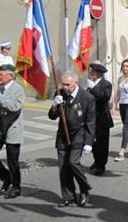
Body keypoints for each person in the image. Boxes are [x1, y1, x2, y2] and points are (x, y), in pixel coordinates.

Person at [49, 71, 96, 207]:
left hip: (78, 135)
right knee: (63, 168)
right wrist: (54, 105)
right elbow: (52, 116)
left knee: (73, 163)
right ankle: (68, 196)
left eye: (68, 85)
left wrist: (89, 142)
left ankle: (84, 189)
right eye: (63, 84)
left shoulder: (87, 98)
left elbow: (91, 121)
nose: (65, 88)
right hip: (63, 136)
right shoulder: (60, 94)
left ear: (76, 83)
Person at [0, 64, 24, 199]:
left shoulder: (18, 90)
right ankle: (6, 177)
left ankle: (16, 187)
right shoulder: (0, 88)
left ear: (10, 76)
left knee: (12, 160)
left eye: (1, 74)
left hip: (12, 129)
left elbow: (14, 107)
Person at [87, 61, 113, 175]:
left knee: (102, 144)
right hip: (91, 119)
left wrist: (93, 88)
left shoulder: (106, 84)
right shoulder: (90, 84)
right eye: (91, 71)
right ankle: (97, 160)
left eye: (93, 71)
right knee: (91, 142)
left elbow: (104, 97)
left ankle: (101, 165)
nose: (91, 73)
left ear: (98, 73)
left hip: (102, 119)